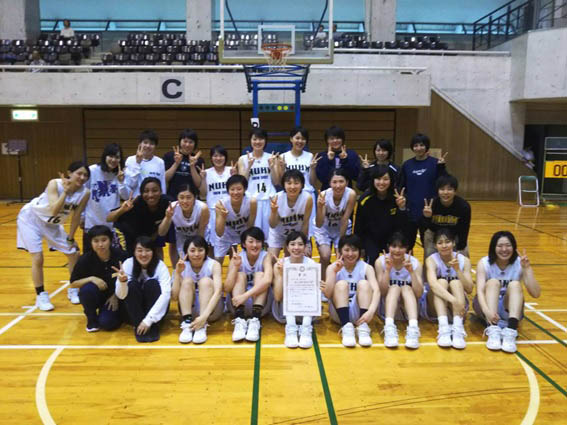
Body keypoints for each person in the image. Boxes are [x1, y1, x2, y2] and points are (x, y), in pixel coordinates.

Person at [17, 161, 90, 310]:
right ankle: (41, 295)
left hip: (52, 225)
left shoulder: (85, 193)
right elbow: (54, 211)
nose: (82, 177)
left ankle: (73, 288)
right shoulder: (54, 184)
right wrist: (65, 192)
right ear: (69, 173)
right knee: (38, 257)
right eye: (79, 173)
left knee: (73, 252)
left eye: (85, 175)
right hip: (30, 219)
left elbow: (76, 216)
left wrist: (71, 237)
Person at [473, 231, 540, 353]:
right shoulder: (484, 263)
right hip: (487, 307)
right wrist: (487, 311)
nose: (504, 249)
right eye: (500, 246)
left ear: (514, 247)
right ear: (493, 247)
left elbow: (536, 293)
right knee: (493, 282)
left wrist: (527, 269)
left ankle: (511, 330)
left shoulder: (519, 263)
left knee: (515, 284)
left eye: (508, 245)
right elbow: (480, 291)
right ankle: (493, 330)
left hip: (509, 307)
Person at [321, 234, 380, 347]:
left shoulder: (367, 268)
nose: (350, 254)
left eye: (354, 250)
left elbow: (376, 291)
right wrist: (334, 272)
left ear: (359, 251)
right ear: (340, 251)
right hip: (339, 313)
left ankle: (363, 327)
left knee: (364, 284)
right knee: (341, 284)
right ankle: (346, 327)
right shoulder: (333, 267)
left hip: (360, 313)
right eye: (346, 250)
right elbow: (327, 294)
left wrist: (371, 311)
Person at [422, 228, 473, 349]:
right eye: (440, 243)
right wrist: (453, 300)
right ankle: (443, 328)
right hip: (436, 307)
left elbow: (469, 288)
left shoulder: (464, 261)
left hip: (458, 308)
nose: (444, 246)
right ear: (435, 246)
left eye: (447, 242)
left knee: (456, 282)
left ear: (454, 243)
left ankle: (458, 328)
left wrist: (458, 270)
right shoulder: (431, 260)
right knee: (441, 282)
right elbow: (433, 285)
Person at [70, 225, 128, 332]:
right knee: (87, 290)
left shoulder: (121, 256)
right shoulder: (85, 259)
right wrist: (91, 278)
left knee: (108, 323)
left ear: (110, 240)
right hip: (97, 295)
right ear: (91, 243)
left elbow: (130, 279)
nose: (100, 245)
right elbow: (73, 283)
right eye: (96, 241)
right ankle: (91, 319)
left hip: (116, 296)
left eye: (104, 240)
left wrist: (116, 296)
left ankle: (114, 313)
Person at [113, 236, 171, 342]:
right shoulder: (128, 264)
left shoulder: (160, 266)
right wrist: (122, 282)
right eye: (139, 250)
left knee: (152, 284)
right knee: (132, 285)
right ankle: (138, 325)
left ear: (153, 252)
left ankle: (152, 326)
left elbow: (166, 295)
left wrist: (148, 321)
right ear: (134, 252)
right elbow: (120, 296)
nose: (143, 254)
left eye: (147, 250)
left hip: (154, 316)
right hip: (132, 313)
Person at [399, 133, 448, 250]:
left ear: (427, 146)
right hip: (411, 211)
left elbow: (445, 183)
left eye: (422, 145)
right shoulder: (407, 165)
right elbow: (401, 186)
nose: (419, 148)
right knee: (407, 246)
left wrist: (442, 168)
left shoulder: (436, 163)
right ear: (412, 147)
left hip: (430, 211)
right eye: (416, 145)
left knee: (429, 247)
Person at [224, 227, 273, 342]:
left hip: (260, 306)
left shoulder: (266, 256)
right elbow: (227, 288)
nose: (255, 245)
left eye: (258, 241)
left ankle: (255, 320)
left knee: (261, 275)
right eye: (251, 241)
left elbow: (268, 280)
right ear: (243, 244)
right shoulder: (237, 257)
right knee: (239, 275)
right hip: (237, 304)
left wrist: (245, 296)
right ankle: (239, 320)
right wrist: (235, 267)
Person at [375, 232, 423, 349]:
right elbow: (382, 291)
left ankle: (413, 328)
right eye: (394, 246)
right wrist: (387, 270)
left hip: (409, 310)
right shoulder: (380, 262)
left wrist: (411, 271)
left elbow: (419, 293)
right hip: (387, 309)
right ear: (388, 247)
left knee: (406, 288)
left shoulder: (415, 263)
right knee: (394, 287)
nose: (397, 250)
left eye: (401, 247)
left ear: (407, 248)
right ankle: (389, 327)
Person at [272, 231, 319, 349]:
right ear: (287, 247)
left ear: (305, 247)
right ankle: (291, 329)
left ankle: (306, 328)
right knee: (291, 290)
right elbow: (277, 297)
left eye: (300, 244)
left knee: (309, 291)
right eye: (292, 244)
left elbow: (314, 294)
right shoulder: (280, 264)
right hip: (284, 311)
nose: (296, 248)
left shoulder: (311, 264)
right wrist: (282, 274)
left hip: (307, 311)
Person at [354, 165, 408, 265]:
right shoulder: (365, 199)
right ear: (373, 180)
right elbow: (358, 225)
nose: (381, 182)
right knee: (371, 260)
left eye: (385, 179)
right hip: (371, 238)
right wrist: (359, 246)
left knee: (392, 263)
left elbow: (403, 224)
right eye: (378, 179)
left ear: (391, 180)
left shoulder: (398, 197)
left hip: (391, 238)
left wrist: (402, 208)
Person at [176, 236, 223, 344]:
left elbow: (218, 292)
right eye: (192, 250)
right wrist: (177, 273)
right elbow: (174, 296)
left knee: (205, 281)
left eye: (200, 250)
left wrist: (204, 317)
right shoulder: (182, 266)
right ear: (186, 252)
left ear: (206, 251)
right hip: (189, 310)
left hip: (210, 312)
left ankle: (201, 326)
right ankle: (187, 323)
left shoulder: (214, 264)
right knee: (187, 281)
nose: (196, 254)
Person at [84, 143, 130, 250]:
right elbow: (83, 195)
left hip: (111, 226)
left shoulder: (121, 174)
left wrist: (121, 182)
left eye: (117, 157)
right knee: (91, 257)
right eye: (111, 156)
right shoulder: (92, 171)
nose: (113, 160)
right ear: (105, 156)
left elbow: (126, 196)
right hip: (92, 224)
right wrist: (82, 216)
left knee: (113, 257)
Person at [107, 177, 169, 255]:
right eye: (146, 191)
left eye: (155, 190)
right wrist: (122, 209)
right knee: (129, 258)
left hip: (147, 236)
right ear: (141, 193)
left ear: (161, 191)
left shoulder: (167, 202)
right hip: (126, 235)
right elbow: (109, 218)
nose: (150, 195)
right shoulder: (135, 203)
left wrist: (152, 238)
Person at [314, 169, 356, 279]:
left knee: (342, 257)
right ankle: (323, 282)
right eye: (334, 182)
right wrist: (320, 207)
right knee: (325, 256)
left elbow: (345, 220)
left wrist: (340, 246)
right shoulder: (323, 195)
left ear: (347, 182)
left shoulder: (351, 194)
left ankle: (340, 282)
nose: (338, 185)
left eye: (341, 181)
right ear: (330, 183)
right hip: (324, 228)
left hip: (341, 227)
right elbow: (319, 223)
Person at [279, 126, 320, 237]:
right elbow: (281, 181)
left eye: (303, 139)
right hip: (291, 196)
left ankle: (308, 245)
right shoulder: (283, 157)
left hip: (307, 195)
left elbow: (312, 182)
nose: (300, 141)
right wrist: (282, 168)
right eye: (297, 138)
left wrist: (313, 169)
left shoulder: (310, 156)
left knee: (308, 229)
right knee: (291, 227)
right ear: (291, 139)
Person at [237, 128, 278, 237]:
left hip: (268, 199)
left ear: (265, 141)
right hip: (252, 201)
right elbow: (241, 183)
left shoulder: (272, 158)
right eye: (255, 139)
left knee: (270, 235)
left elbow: (276, 181)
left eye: (261, 139)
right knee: (253, 235)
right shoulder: (243, 159)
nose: (258, 142)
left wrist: (272, 167)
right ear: (250, 140)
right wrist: (249, 166)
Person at [157, 183, 209, 265]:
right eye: (181, 197)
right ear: (177, 198)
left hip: (200, 235)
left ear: (195, 198)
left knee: (198, 259)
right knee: (183, 263)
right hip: (181, 236)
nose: (185, 201)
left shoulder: (203, 208)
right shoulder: (172, 207)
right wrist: (167, 217)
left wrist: (196, 250)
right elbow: (161, 233)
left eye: (188, 197)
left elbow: (201, 233)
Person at [421, 174, 471, 258]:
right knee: (429, 258)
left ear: (455, 191)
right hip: (434, 234)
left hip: (455, 234)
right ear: (437, 191)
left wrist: (461, 247)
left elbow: (464, 228)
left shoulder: (463, 206)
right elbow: (425, 227)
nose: (445, 192)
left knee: (463, 256)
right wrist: (427, 217)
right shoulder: (431, 204)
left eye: (449, 189)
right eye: (442, 189)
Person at [198, 145, 237, 249]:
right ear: (211, 158)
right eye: (215, 156)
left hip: (228, 210)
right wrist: (202, 179)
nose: (218, 158)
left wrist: (234, 176)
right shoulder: (206, 173)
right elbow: (203, 194)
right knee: (212, 244)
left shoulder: (231, 171)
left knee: (232, 243)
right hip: (212, 211)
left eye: (221, 156)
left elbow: (237, 190)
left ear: (225, 157)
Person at [268, 169, 313, 258]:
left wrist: (303, 243)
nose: (292, 186)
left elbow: (305, 224)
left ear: (302, 185)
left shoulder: (307, 198)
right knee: (272, 258)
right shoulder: (277, 198)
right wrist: (273, 211)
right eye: (289, 183)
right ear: (284, 185)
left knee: (304, 255)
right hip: (278, 234)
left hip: (297, 234)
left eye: (296, 183)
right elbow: (272, 225)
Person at [214, 175, 257, 263]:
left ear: (245, 189)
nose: (236, 192)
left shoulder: (251, 202)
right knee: (217, 261)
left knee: (247, 260)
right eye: (232, 189)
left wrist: (247, 242)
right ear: (228, 191)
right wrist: (223, 217)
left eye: (239, 189)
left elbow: (250, 226)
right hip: (225, 235)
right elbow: (219, 233)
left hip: (243, 234)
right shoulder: (221, 204)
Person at [163, 129, 205, 200]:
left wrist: (192, 166)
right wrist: (176, 163)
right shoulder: (169, 156)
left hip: (192, 199)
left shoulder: (198, 160)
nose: (187, 145)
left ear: (195, 144)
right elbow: (165, 178)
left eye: (191, 142)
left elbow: (198, 184)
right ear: (180, 142)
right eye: (185, 141)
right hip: (172, 198)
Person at [315, 126, 360, 191]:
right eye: (332, 138)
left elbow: (355, 176)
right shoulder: (322, 156)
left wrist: (345, 160)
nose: (335, 141)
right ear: (327, 141)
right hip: (327, 192)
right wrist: (329, 160)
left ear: (342, 139)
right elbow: (323, 178)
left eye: (338, 138)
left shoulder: (351, 154)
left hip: (347, 191)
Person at [124, 130, 166, 197]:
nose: (148, 146)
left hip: (154, 200)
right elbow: (130, 184)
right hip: (135, 199)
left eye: (152, 144)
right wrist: (137, 163)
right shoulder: (130, 160)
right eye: (145, 142)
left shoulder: (160, 162)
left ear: (155, 146)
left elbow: (162, 185)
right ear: (140, 144)